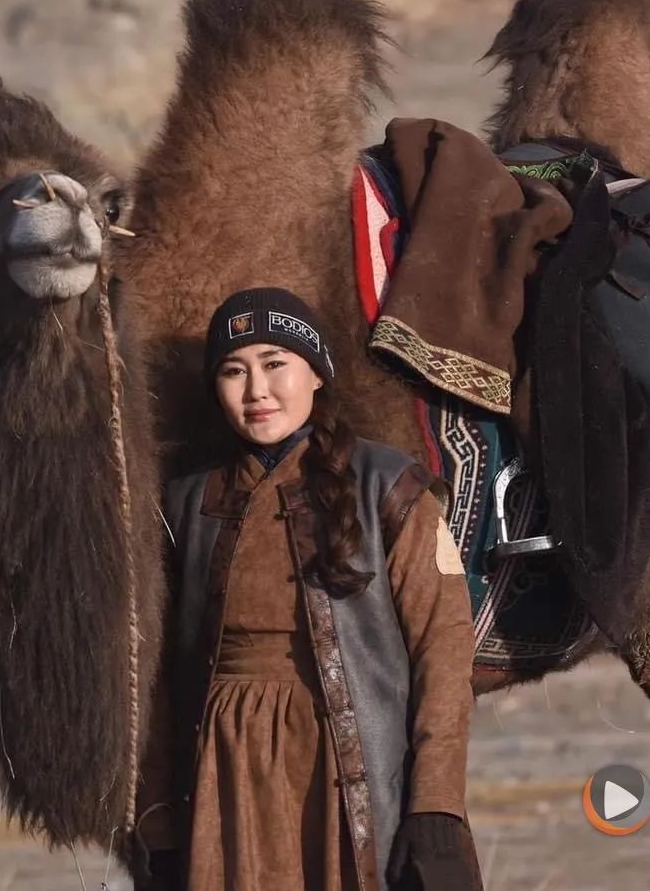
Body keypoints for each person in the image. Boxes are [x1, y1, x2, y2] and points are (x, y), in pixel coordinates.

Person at [134, 287, 482, 891]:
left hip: (346, 763)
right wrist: (159, 814)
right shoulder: (184, 504)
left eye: (275, 364)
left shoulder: (388, 487)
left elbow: (444, 653)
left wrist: (435, 802)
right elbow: (160, 676)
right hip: (224, 772)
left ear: (316, 374)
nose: (256, 391)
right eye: (232, 371)